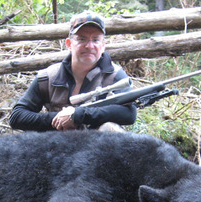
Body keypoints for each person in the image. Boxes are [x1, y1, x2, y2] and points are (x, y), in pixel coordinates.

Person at [9, 11, 137, 132]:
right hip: (58, 143)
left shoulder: (115, 76)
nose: (89, 46)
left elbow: (129, 114)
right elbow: (17, 116)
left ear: (103, 45)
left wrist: (78, 116)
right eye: (82, 39)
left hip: (97, 146)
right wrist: (58, 119)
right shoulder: (48, 76)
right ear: (69, 43)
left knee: (111, 129)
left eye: (96, 40)